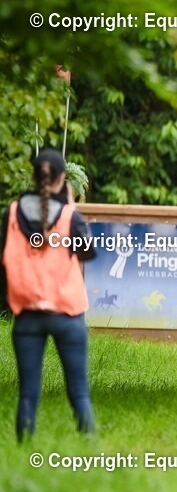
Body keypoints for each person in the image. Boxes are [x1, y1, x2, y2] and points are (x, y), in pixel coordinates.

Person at [1, 148, 97, 442]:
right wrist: (70, 206)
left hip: (27, 314)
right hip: (67, 313)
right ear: (62, 179)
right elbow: (88, 252)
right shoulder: (69, 216)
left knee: (28, 392)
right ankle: (89, 446)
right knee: (78, 391)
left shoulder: (12, 213)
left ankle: (23, 447)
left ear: (34, 176)